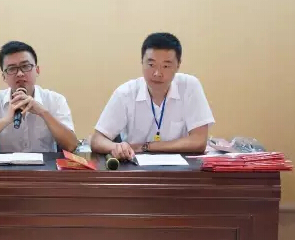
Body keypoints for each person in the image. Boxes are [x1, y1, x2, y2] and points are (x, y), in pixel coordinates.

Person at [91, 32, 215, 160]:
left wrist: (146, 146)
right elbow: (97, 140)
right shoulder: (125, 93)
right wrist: (117, 147)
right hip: (134, 164)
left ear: (178, 65)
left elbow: (198, 142)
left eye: (166, 66)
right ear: (142, 62)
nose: (157, 73)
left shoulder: (190, 87)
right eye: (151, 65)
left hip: (182, 168)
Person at [0, 41, 78, 153]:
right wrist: (6, 120)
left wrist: (43, 112)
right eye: (12, 69)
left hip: (45, 164)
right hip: (6, 165)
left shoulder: (56, 100)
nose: (19, 73)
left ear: (37, 70)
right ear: (4, 76)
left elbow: (71, 145)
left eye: (25, 66)